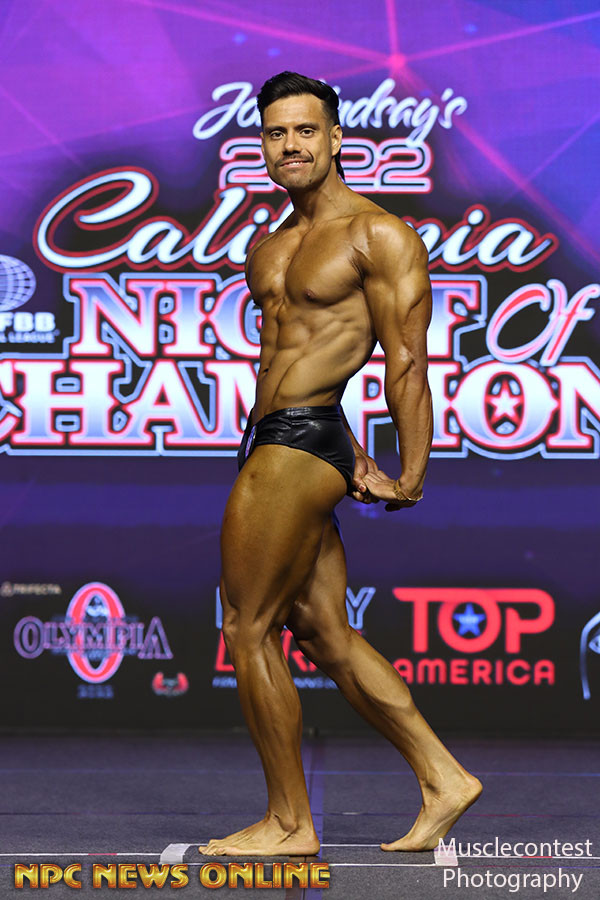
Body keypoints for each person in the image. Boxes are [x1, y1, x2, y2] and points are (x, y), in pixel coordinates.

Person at [199, 71, 481, 858]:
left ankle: (289, 824)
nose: (289, 145)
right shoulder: (270, 248)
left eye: (304, 130)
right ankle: (444, 777)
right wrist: (352, 451)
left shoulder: (378, 236)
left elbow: (404, 361)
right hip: (300, 436)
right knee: (325, 634)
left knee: (247, 627)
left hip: (295, 448)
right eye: (275, 133)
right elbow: (293, 363)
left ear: (335, 138)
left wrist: (411, 472)